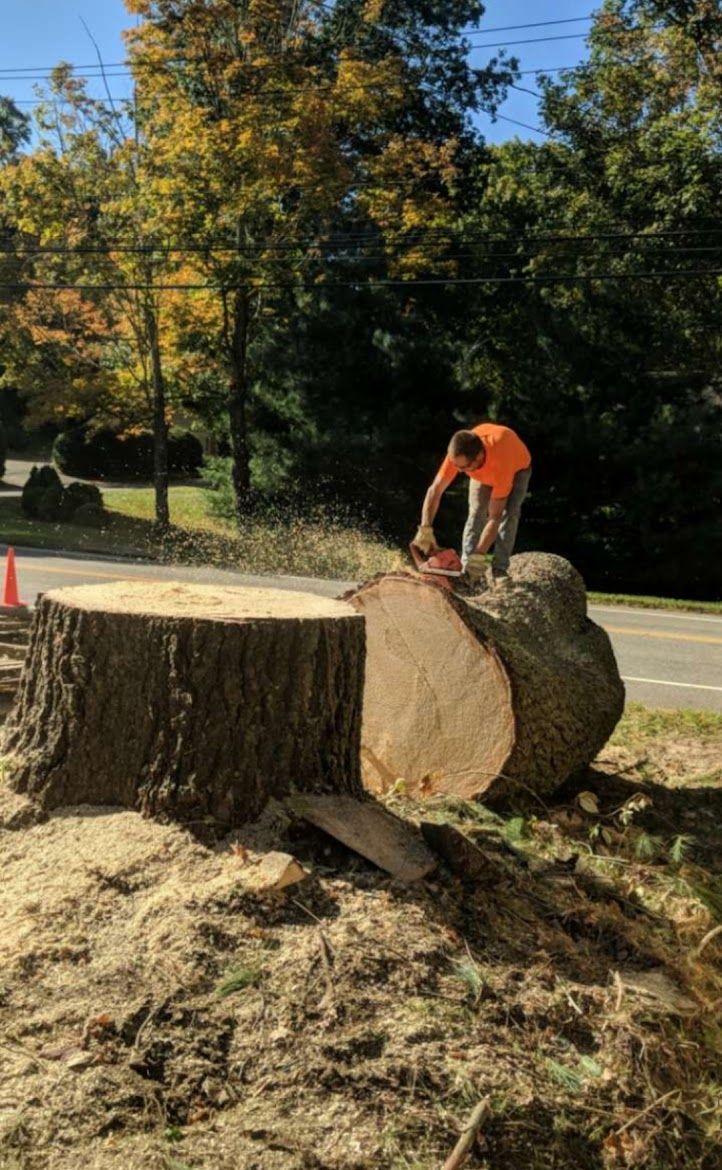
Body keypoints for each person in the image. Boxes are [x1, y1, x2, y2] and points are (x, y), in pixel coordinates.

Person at [414, 422, 532, 584]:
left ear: (479, 457)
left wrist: (479, 559)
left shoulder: (501, 462)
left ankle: (499, 569)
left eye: (464, 468)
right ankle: (465, 570)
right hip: (483, 471)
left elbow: (494, 517)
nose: (460, 472)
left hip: (517, 470)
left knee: (508, 514)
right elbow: (435, 490)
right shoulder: (459, 454)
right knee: (476, 512)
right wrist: (425, 528)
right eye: (457, 466)